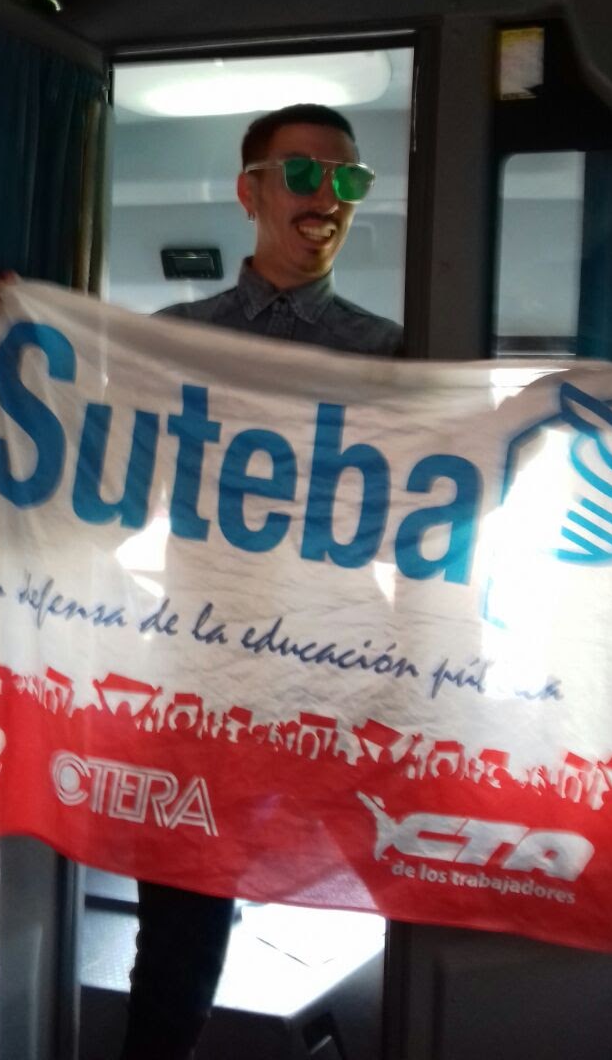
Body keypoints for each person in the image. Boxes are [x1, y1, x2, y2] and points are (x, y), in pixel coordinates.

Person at [121, 103, 403, 1060]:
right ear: (250, 193)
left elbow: (431, 513)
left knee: (411, 896)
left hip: (342, 674)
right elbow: (108, 485)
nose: (329, 197)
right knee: (179, 938)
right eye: (305, 174)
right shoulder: (173, 339)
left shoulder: (392, 354)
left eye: (348, 180)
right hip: (203, 679)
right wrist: (21, 349)